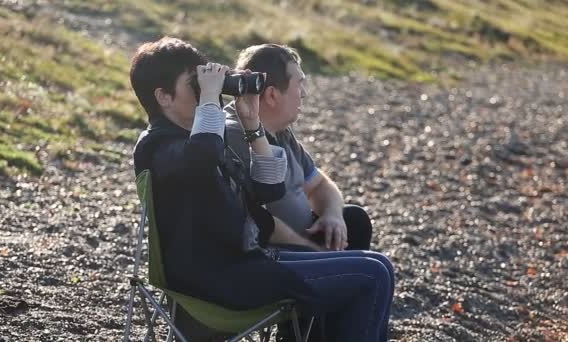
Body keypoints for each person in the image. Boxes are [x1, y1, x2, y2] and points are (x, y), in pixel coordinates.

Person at [130, 36, 394, 341]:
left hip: (248, 263)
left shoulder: (199, 140)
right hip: (221, 278)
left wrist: (253, 123)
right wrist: (211, 99)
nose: (206, 90)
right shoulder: (159, 145)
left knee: (377, 266)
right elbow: (202, 156)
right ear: (163, 96)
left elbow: (268, 192)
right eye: (196, 82)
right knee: (371, 275)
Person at [225, 44, 373, 253]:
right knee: (374, 271)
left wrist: (332, 215)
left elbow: (320, 184)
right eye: (299, 84)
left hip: (304, 239)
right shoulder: (235, 136)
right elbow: (259, 221)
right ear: (272, 95)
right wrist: (315, 251)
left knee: (354, 219)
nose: (303, 93)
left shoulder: (281, 129)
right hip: (277, 253)